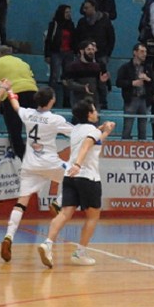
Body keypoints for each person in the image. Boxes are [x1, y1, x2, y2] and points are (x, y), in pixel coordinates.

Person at [37, 99, 115, 268]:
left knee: (64, 213)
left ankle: (47, 243)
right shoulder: (91, 131)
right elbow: (87, 145)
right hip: (87, 177)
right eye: (94, 110)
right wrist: (79, 164)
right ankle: (80, 253)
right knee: (93, 216)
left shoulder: (76, 130)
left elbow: (94, 140)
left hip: (69, 177)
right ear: (89, 114)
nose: (97, 113)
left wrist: (105, 130)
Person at [0, 87, 73, 263]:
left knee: (21, 203)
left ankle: (9, 236)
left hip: (30, 164)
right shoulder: (55, 119)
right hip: (49, 162)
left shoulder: (27, 113)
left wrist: (10, 91)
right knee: (74, 175)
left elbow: (15, 105)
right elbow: (75, 132)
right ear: (51, 101)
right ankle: (58, 202)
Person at [0, 46, 38, 159]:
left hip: (13, 95)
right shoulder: (23, 63)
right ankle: (37, 154)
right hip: (32, 92)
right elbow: (33, 80)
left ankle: (22, 157)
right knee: (34, 126)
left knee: (15, 129)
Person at [75, 0, 115, 109]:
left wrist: (107, 52)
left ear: (93, 7)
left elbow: (111, 37)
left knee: (102, 78)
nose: (85, 10)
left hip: (101, 54)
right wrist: (79, 51)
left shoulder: (105, 21)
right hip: (84, 54)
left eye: (87, 8)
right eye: (84, 8)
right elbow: (77, 37)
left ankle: (103, 101)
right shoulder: (82, 22)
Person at [116, 43, 154, 140]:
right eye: (142, 51)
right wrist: (132, 83)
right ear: (135, 52)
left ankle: (143, 149)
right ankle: (124, 147)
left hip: (144, 100)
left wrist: (147, 79)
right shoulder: (126, 67)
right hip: (131, 99)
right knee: (127, 127)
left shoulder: (148, 68)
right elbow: (118, 82)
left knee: (143, 128)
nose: (144, 54)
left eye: (145, 52)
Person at [44, 4, 76, 107]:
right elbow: (48, 40)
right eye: (66, 12)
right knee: (54, 76)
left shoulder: (71, 25)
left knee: (67, 77)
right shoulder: (54, 24)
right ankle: (50, 99)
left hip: (69, 53)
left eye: (69, 12)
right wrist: (47, 54)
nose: (68, 14)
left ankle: (67, 100)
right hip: (56, 52)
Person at [63, 40, 106, 109]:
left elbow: (100, 86)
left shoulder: (97, 66)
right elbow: (69, 83)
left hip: (94, 100)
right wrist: (82, 87)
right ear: (82, 51)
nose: (91, 52)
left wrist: (102, 82)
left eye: (92, 49)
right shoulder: (73, 66)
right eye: (88, 49)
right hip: (78, 100)